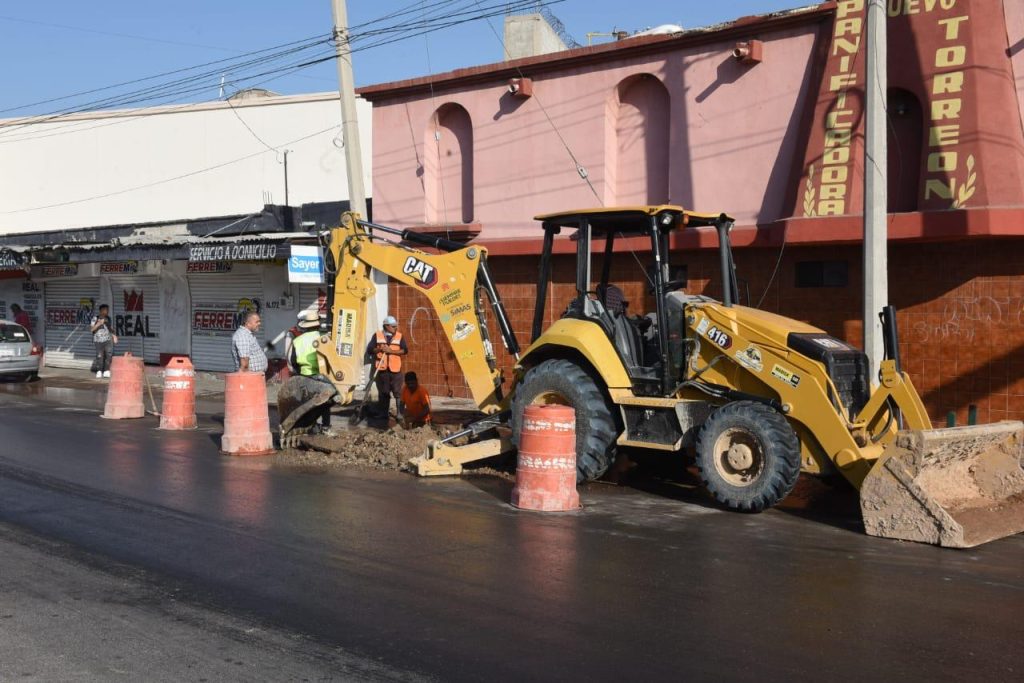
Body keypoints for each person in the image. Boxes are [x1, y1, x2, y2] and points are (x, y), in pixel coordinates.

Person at [288, 310, 336, 436]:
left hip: (304, 374)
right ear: (318, 325)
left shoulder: (297, 341)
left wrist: (300, 372)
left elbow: (293, 361)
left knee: (308, 403)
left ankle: (312, 426)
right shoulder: (324, 338)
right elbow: (332, 358)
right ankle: (326, 427)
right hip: (322, 375)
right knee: (326, 401)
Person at [366, 314, 407, 421]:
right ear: (386, 326)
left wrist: (391, 351)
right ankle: (383, 413)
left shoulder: (399, 336)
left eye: (395, 326)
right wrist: (379, 349)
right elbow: (370, 350)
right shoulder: (377, 335)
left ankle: (399, 413)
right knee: (384, 393)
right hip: (383, 370)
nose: (395, 328)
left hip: (395, 370)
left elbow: (405, 350)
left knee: (397, 393)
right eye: (393, 326)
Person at [89, 304, 119, 378]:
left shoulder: (108, 318)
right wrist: (99, 323)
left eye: (107, 310)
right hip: (98, 340)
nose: (107, 311)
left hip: (107, 340)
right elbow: (91, 329)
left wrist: (114, 336)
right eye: (106, 310)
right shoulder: (95, 318)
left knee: (108, 355)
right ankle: (99, 371)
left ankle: (106, 370)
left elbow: (109, 328)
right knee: (100, 356)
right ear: (101, 310)